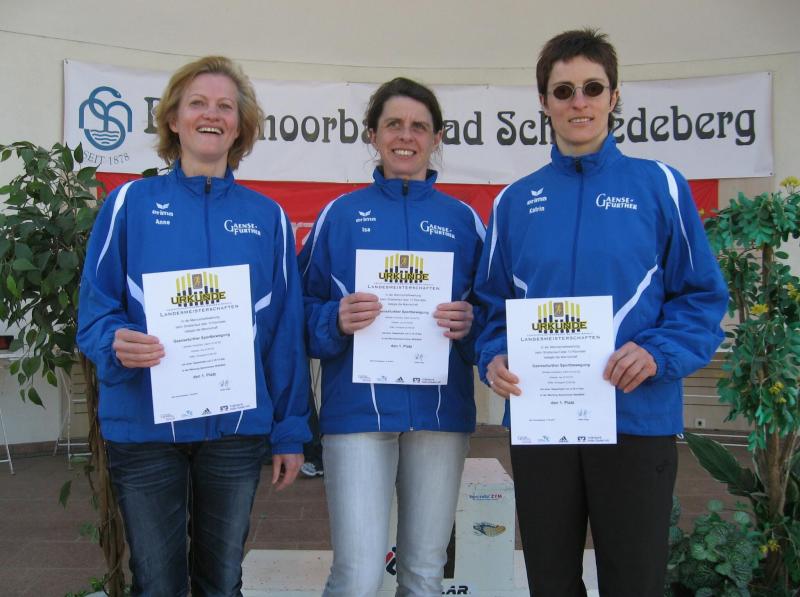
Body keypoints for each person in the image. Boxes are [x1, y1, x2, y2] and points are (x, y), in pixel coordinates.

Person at [475, 30, 728, 597]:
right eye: (563, 90)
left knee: (635, 582)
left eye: (592, 88)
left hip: (635, 417)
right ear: (544, 102)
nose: (579, 102)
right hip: (543, 422)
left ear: (614, 97)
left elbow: (702, 298)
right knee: (550, 582)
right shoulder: (514, 202)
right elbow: (491, 307)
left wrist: (657, 353)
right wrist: (494, 355)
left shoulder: (659, 186)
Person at [77, 56, 310, 597]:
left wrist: (290, 431)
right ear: (173, 119)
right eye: (198, 103)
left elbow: (284, 333)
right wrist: (114, 341)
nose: (212, 114)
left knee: (222, 582)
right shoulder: (129, 204)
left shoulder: (268, 217)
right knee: (157, 583)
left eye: (225, 106)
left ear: (240, 125)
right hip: (145, 429)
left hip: (235, 432)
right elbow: (95, 311)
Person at [299, 77, 485, 597]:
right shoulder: (339, 216)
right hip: (357, 412)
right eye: (394, 124)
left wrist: (471, 325)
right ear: (373, 135)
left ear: (437, 137)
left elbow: (495, 317)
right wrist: (334, 319)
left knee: (424, 574)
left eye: (420, 126)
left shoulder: (464, 221)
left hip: (439, 416)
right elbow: (298, 313)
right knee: (357, 576)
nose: (406, 136)